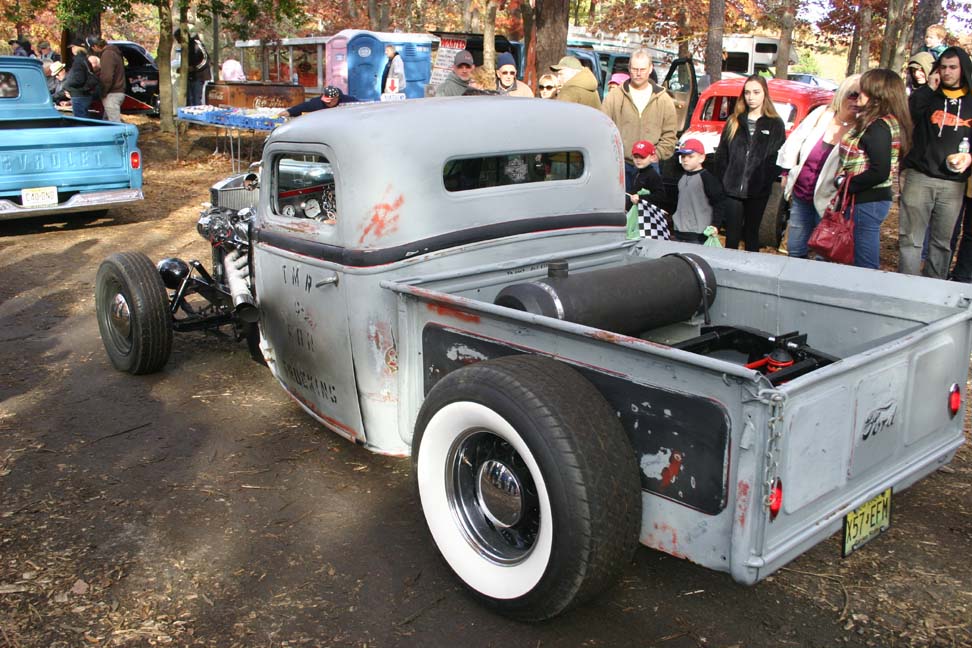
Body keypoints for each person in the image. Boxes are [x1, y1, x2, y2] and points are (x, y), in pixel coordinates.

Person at [899, 47, 972, 277]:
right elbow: (908, 117)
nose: (947, 72)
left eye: (953, 67)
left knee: (942, 242)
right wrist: (929, 88)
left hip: (953, 182)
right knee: (910, 238)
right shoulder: (928, 95)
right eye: (943, 67)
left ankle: (935, 286)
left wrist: (969, 157)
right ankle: (907, 285)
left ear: (963, 69)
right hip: (920, 176)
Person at [776, 75, 861, 258]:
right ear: (841, 94)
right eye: (853, 95)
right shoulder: (823, 114)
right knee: (795, 247)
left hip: (830, 200)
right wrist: (786, 171)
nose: (857, 101)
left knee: (824, 251)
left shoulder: (861, 128)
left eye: (862, 96)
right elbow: (795, 141)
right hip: (802, 192)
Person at [835, 68, 911, 269]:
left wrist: (847, 184)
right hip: (864, 199)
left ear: (879, 95)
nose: (858, 94)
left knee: (865, 264)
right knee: (851, 258)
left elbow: (880, 171)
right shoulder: (878, 122)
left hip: (867, 201)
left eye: (864, 90)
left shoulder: (879, 126)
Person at [713, 74, 786, 251]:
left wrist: (764, 180)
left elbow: (777, 157)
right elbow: (722, 154)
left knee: (752, 235)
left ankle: (751, 267)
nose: (751, 97)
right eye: (747, 92)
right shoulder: (734, 120)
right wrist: (725, 179)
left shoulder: (775, 123)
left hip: (757, 190)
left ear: (764, 93)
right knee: (732, 236)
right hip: (732, 189)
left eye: (756, 92)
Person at [601, 49, 678, 191]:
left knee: (648, 204)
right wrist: (613, 155)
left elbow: (670, 135)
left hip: (650, 166)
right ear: (629, 68)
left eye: (642, 69)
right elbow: (602, 130)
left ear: (650, 69)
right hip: (621, 164)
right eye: (635, 69)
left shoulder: (663, 99)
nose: (638, 73)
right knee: (621, 204)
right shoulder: (615, 96)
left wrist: (657, 154)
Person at [671, 138, 726, 243]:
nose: (685, 160)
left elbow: (719, 202)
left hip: (699, 232)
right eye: (683, 156)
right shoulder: (682, 177)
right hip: (679, 230)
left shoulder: (707, 178)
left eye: (690, 156)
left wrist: (715, 225)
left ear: (701, 158)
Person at [89, 38, 125, 122]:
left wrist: (102, 92)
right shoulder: (114, 52)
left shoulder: (108, 54)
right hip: (116, 92)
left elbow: (107, 77)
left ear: (95, 46)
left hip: (112, 94)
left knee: (114, 122)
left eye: (92, 48)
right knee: (106, 121)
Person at [63, 38, 100, 118]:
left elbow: (78, 79)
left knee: (80, 120)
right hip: (84, 94)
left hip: (79, 95)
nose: (72, 49)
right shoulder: (85, 60)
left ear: (76, 48)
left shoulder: (78, 61)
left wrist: (66, 85)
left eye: (72, 47)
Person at [626, 140, 666, 211]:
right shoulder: (636, 172)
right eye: (635, 157)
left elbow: (660, 196)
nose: (638, 160)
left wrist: (640, 198)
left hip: (647, 212)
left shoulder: (653, 175)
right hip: (634, 210)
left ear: (652, 158)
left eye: (642, 157)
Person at [175, 29, 211, 106]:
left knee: (196, 99)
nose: (178, 42)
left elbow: (205, 59)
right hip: (190, 76)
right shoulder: (186, 47)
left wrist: (194, 68)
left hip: (198, 76)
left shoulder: (196, 44)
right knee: (189, 99)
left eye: (178, 39)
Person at [282, 85, 358, 118]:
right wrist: (289, 112)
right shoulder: (318, 102)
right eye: (326, 100)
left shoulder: (348, 101)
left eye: (329, 101)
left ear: (336, 98)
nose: (327, 103)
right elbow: (304, 106)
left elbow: (360, 107)